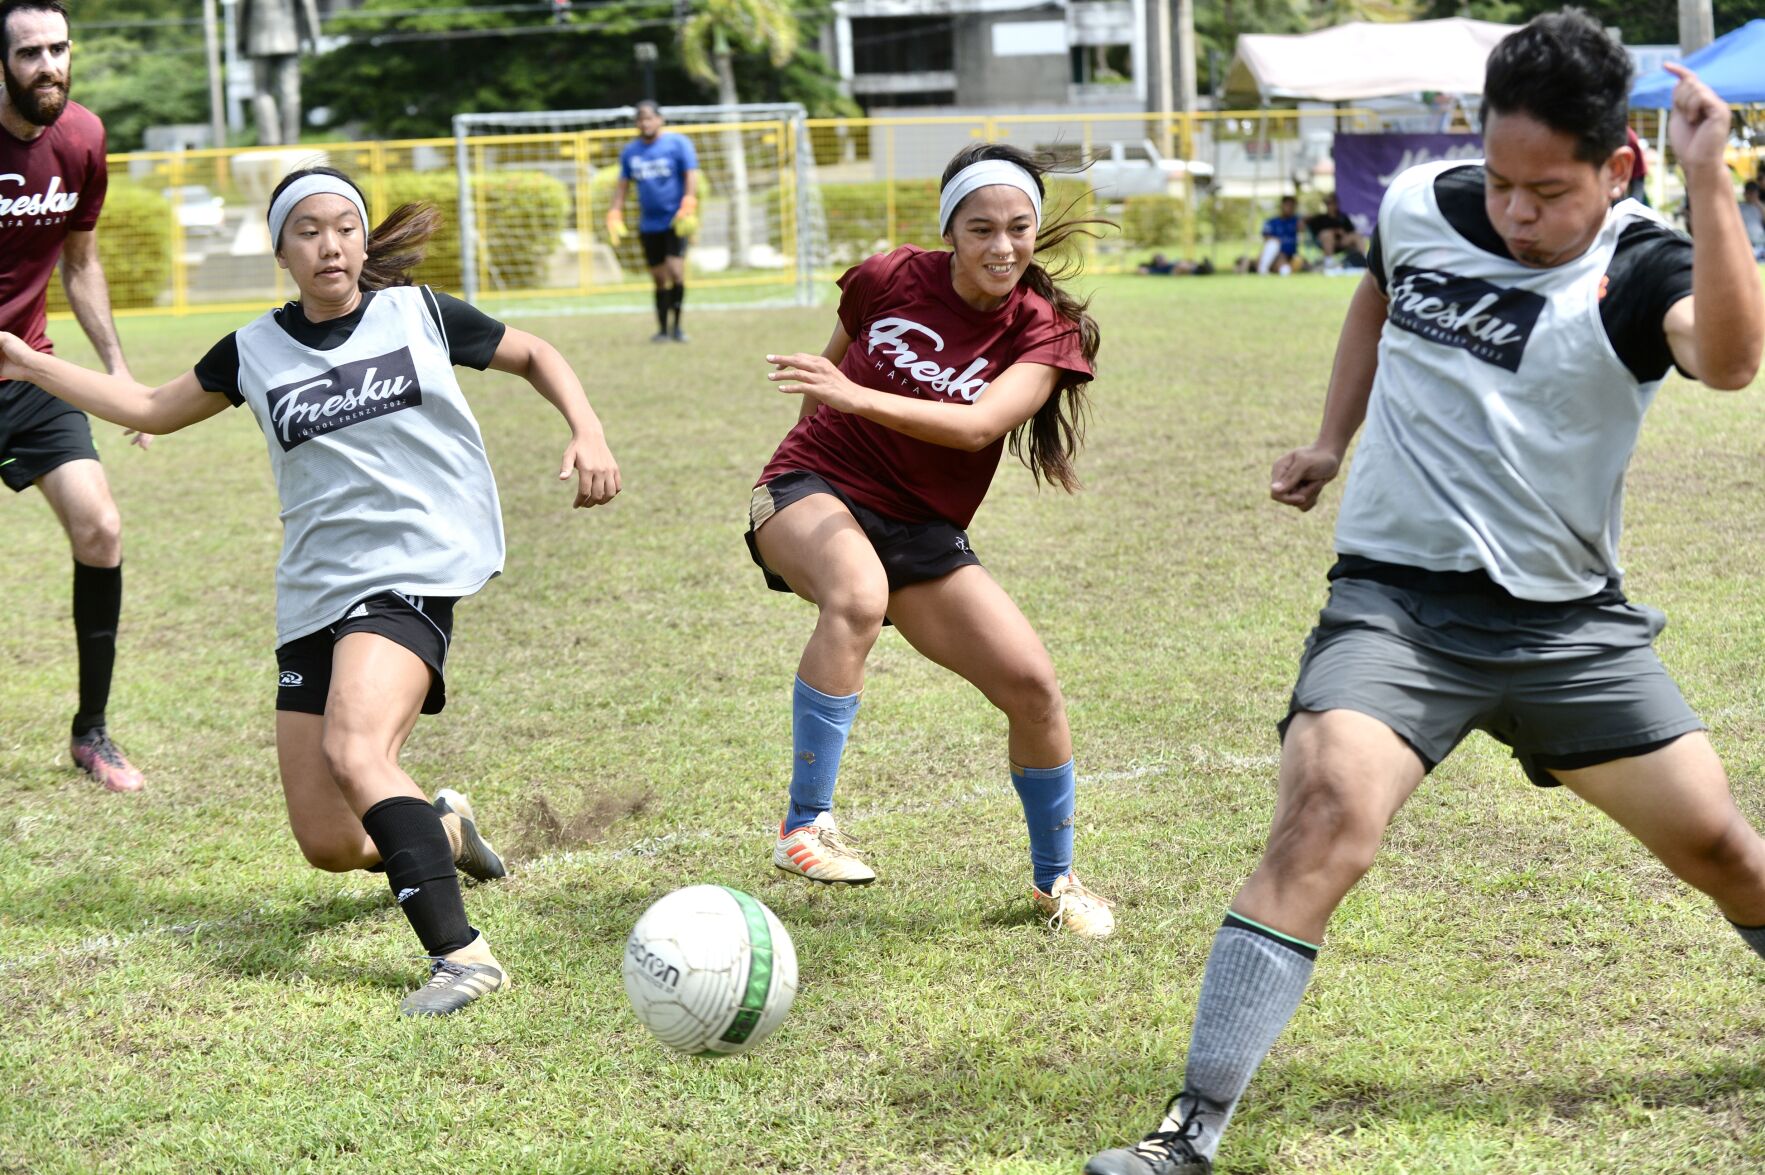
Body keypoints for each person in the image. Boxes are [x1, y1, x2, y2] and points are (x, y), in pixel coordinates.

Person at [1087, 14, 1765, 1174]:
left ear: (1614, 167)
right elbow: (1379, 291)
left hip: (1566, 625)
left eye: (1545, 190)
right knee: (1324, 817)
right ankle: (1187, 1131)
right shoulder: (1422, 203)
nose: (1513, 210)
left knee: (1723, 849)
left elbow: (1733, 357)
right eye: (1499, 181)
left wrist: (1710, 185)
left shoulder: (1644, 261)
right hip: (1396, 606)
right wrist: (1329, 437)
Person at [0, 165, 623, 1016]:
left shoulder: (419, 313)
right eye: (308, 231)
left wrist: (586, 430)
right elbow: (147, 407)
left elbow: (534, 353)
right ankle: (440, 826)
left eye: (345, 227)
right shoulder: (252, 348)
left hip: (412, 566)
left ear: (364, 242)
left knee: (356, 748)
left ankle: (464, 955)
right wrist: (23, 363)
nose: (330, 244)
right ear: (282, 250)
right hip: (313, 588)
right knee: (329, 841)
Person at [747, 142, 1117, 937]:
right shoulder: (886, 277)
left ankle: (1055, 883)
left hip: (920, 526)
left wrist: (855, 397)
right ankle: (803, 828)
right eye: (981, 228)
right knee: (855, 593)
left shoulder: (1044, 331)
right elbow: (822, 393)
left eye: (1018, 227)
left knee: (1033, 688)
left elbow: (979, 424)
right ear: (950, 229)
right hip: (813, 485)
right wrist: (789, 480)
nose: (1003, 246)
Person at [1, 0, 150, 793]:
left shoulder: (83, 139)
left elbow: (80, 262)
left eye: (59, 49)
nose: (48, 66)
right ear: (2, 64)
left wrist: (117, 373)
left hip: (28, 372)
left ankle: (91, 732)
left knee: (101, 526)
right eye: (29, 54)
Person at [606, 100, 699, 343]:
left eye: (649, 118)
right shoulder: (631, 151)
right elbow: (623, 184)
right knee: (659, 277)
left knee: (676, 272)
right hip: (649, 225)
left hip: (675, 221)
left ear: (660, 119)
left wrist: (689, 200)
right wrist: (615, 211)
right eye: (640, 119)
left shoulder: (678, 144)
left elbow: (691, 173)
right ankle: (662, 330)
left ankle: (678, 327)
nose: (645, 123)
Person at [1303, 192, 1366, 264]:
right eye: (1328, 203)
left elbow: (1351, 231)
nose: (1330, 205)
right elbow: (1316, 233)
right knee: (1327, 234)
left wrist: (1343, 233)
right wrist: (1334, 231)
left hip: (1342, 242)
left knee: (1357, 236)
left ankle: (1365, 260)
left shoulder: (1343, 217)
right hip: (1325, 243)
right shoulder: (1320, 218)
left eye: (1332, 203)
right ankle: (1329, 262)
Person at [1256, 195, 1301, 275]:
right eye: (1288, 205)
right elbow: (1266, 236)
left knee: (1286, 268)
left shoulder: (1296, 221)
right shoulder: (1272, 222)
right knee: (1273, 244)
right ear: (1282, 206)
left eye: (1292, 206)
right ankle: (1262, 268)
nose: (1290, 208)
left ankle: (1266, 267)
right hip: (1276, 254)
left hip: (1290, 255)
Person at [1741, 180, 1765, 261]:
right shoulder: (1739, 207)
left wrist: (1757, 202)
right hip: (1747, 244)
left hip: (1761, 242)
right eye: (1749, 192)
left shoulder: (1761, 206)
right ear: (1745, 193)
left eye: (1753, 192)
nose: (1751, 195)